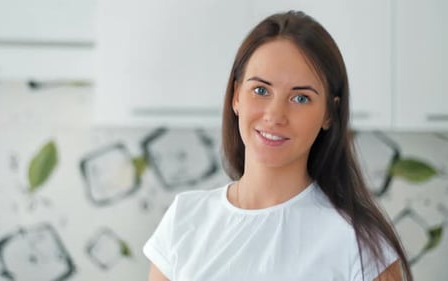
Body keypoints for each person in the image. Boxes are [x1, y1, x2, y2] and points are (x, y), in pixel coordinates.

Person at [143, 10, 413, 281]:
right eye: (261, 91)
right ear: (236, 96)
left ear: (329, 113)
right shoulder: (185, 218)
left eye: (300, 98)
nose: (274, 115)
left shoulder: (359, 244)